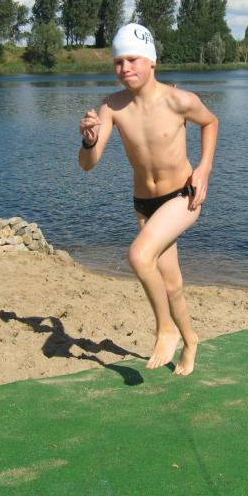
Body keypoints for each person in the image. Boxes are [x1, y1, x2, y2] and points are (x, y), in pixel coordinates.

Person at [78, 23, 219, 376]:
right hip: (144, 204)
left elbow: (210, 122)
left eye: (133, 60)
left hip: (183, 196)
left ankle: (166, 329)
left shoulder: (178, 100)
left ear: (152, 61)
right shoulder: (112, 106)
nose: (125, 67)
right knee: (171, 284)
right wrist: (89, 141)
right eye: (118, 61)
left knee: (139, 256)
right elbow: (87, 165)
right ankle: (191, 341)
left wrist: (204, 168)